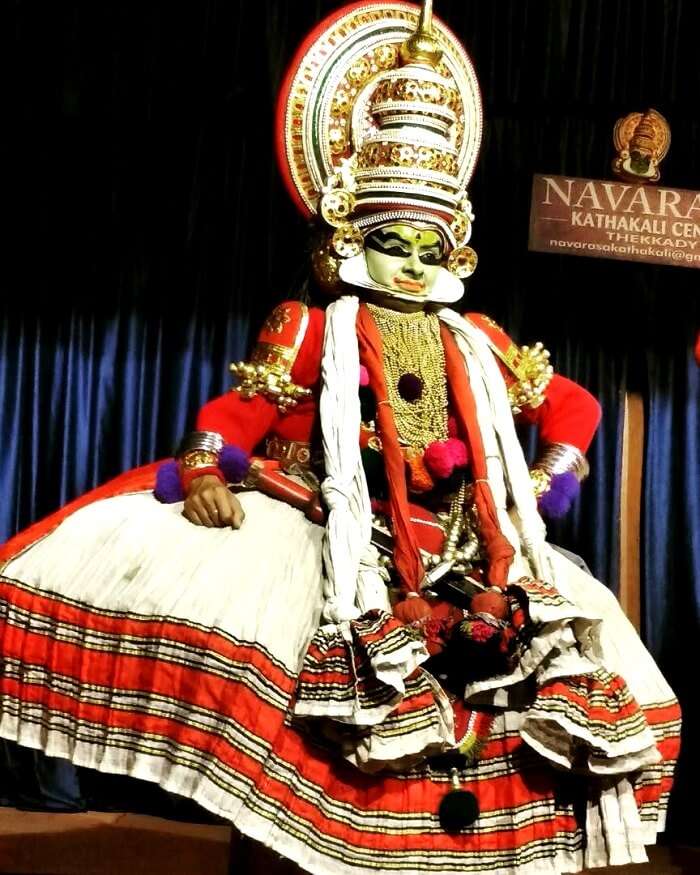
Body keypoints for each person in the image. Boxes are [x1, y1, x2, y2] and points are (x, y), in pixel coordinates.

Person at [0, 2, 680, 873]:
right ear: (353, 237)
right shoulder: (313, 327)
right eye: (389, 241)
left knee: (503, 705)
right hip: (322, 530)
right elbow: (237, 414)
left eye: (425, 244)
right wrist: (204, 465)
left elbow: (574, 408)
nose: (407, 261)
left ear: (454, 247)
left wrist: (547, 477)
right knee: (292, 741)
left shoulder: (478, 339)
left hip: (460, 547)